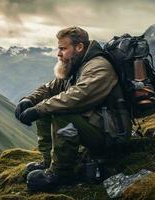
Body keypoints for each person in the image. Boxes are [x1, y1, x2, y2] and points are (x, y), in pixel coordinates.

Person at [15, 26, 132, 191]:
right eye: (59, 48)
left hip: (112, 134)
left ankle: (61, 173)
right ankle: (49, 162)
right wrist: (29, 100)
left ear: (79, 47)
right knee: (46, 108)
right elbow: (50, 88)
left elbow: (78, 96)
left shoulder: (99, 66)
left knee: (60, 114)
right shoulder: (76, 64)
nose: (59, 53)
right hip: (96, 124)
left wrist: (39, 109)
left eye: (63, 48)